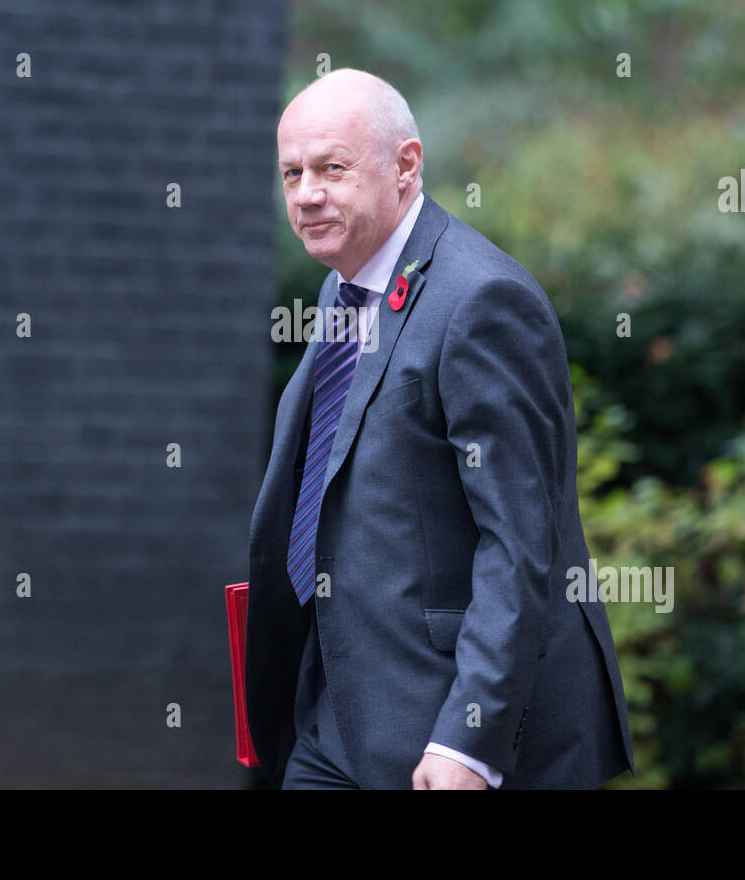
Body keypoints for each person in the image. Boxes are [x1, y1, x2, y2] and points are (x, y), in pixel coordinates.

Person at [245, 68, 634, 789]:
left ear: (405, 166)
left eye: (332, 168)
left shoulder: (483, 301)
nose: (306, 194)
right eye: (292, 172)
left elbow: (520, 542)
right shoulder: (344, 288)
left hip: (451, 728)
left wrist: (469, 743)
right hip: (338, 719)